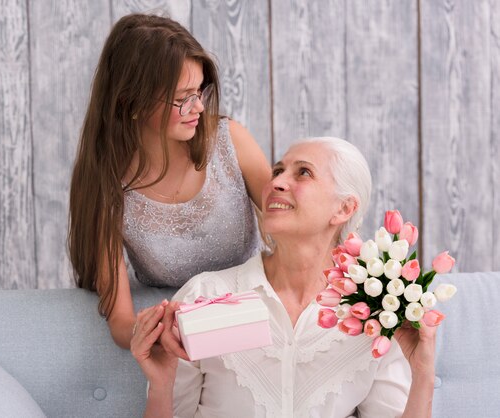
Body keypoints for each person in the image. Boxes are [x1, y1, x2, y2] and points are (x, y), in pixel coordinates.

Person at [131, 137, 436, 417]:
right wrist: (161, 382)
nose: (276, 182)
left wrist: (422, 372)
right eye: (278, 171)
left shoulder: (376, 312)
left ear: (344, 208)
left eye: (303, 173)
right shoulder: (207, 294)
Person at [68, 13, 271, 349]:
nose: (198, 108)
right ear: (129, 101)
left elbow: (296, 228)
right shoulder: (106, 185)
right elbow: (121, 324)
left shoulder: (230, 141)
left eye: (200, 92)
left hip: (257, 319)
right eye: (182, 98)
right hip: (186, 341)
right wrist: (170, 338)